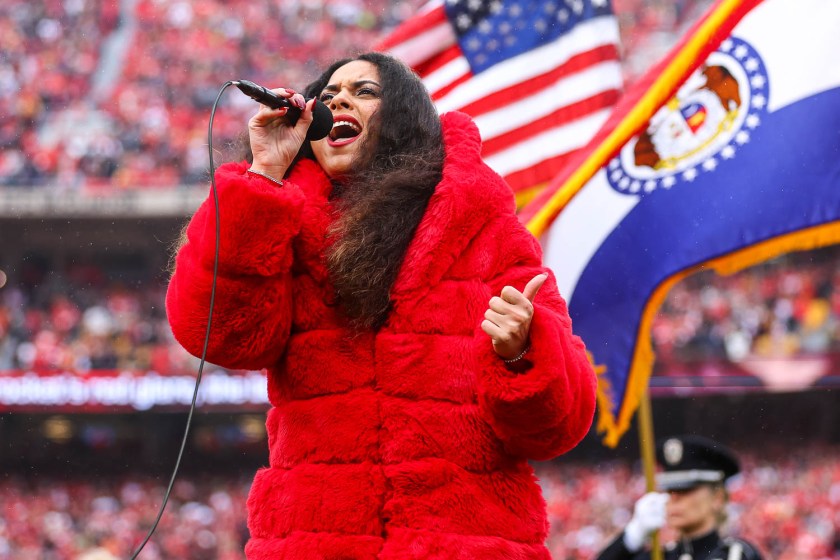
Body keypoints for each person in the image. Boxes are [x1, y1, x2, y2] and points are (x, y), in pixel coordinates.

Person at [166, 52, 597, 558]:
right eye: (327, 96)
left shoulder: (486, 228)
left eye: (363, 91)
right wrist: (262, 176)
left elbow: (560, 426)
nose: (338, 98)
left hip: (463, 542)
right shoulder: (283, 218)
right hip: (318, 540)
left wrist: (524, 353)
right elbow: (218, 335)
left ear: (405, 120)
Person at [596, 435, 764, 560]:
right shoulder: (658, 555)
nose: (674, 498)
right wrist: (632, 537)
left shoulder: (738, 555)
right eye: (670, 491)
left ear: (718, 498)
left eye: (686, 490)